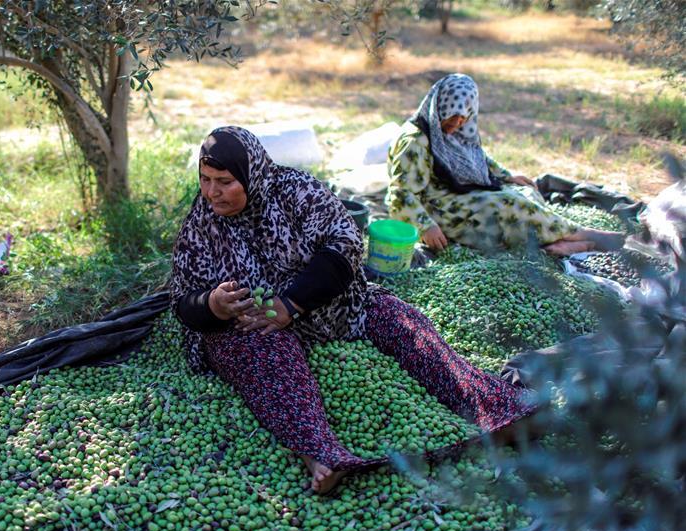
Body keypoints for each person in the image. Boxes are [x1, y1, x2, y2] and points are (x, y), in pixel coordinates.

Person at [170, 126, 535, 495]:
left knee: (401, 323)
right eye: (205, 179)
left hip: (331, 307)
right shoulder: (204, 224)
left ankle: (493, 409)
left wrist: (289, 304)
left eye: (225, 181)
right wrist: (214, 304)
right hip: (258, 329)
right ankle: (320, 454)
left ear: (252, 174)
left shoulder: (297, 193)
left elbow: (344, 249)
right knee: (257, 355)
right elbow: (184, 302)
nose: (212, 192)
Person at [386, 73, 623, 256]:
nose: (458, 121)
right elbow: (400, 191)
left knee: (524, 191)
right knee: (507, 205)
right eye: (453, 113)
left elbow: (474, 156)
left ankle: (560, 241)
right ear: (440, 105)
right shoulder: (415, 140)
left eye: (464, 115)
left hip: (453, 191)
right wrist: (426, 226)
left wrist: (508, 176)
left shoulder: (449, 129)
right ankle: (579, 234)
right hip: (434, 207)